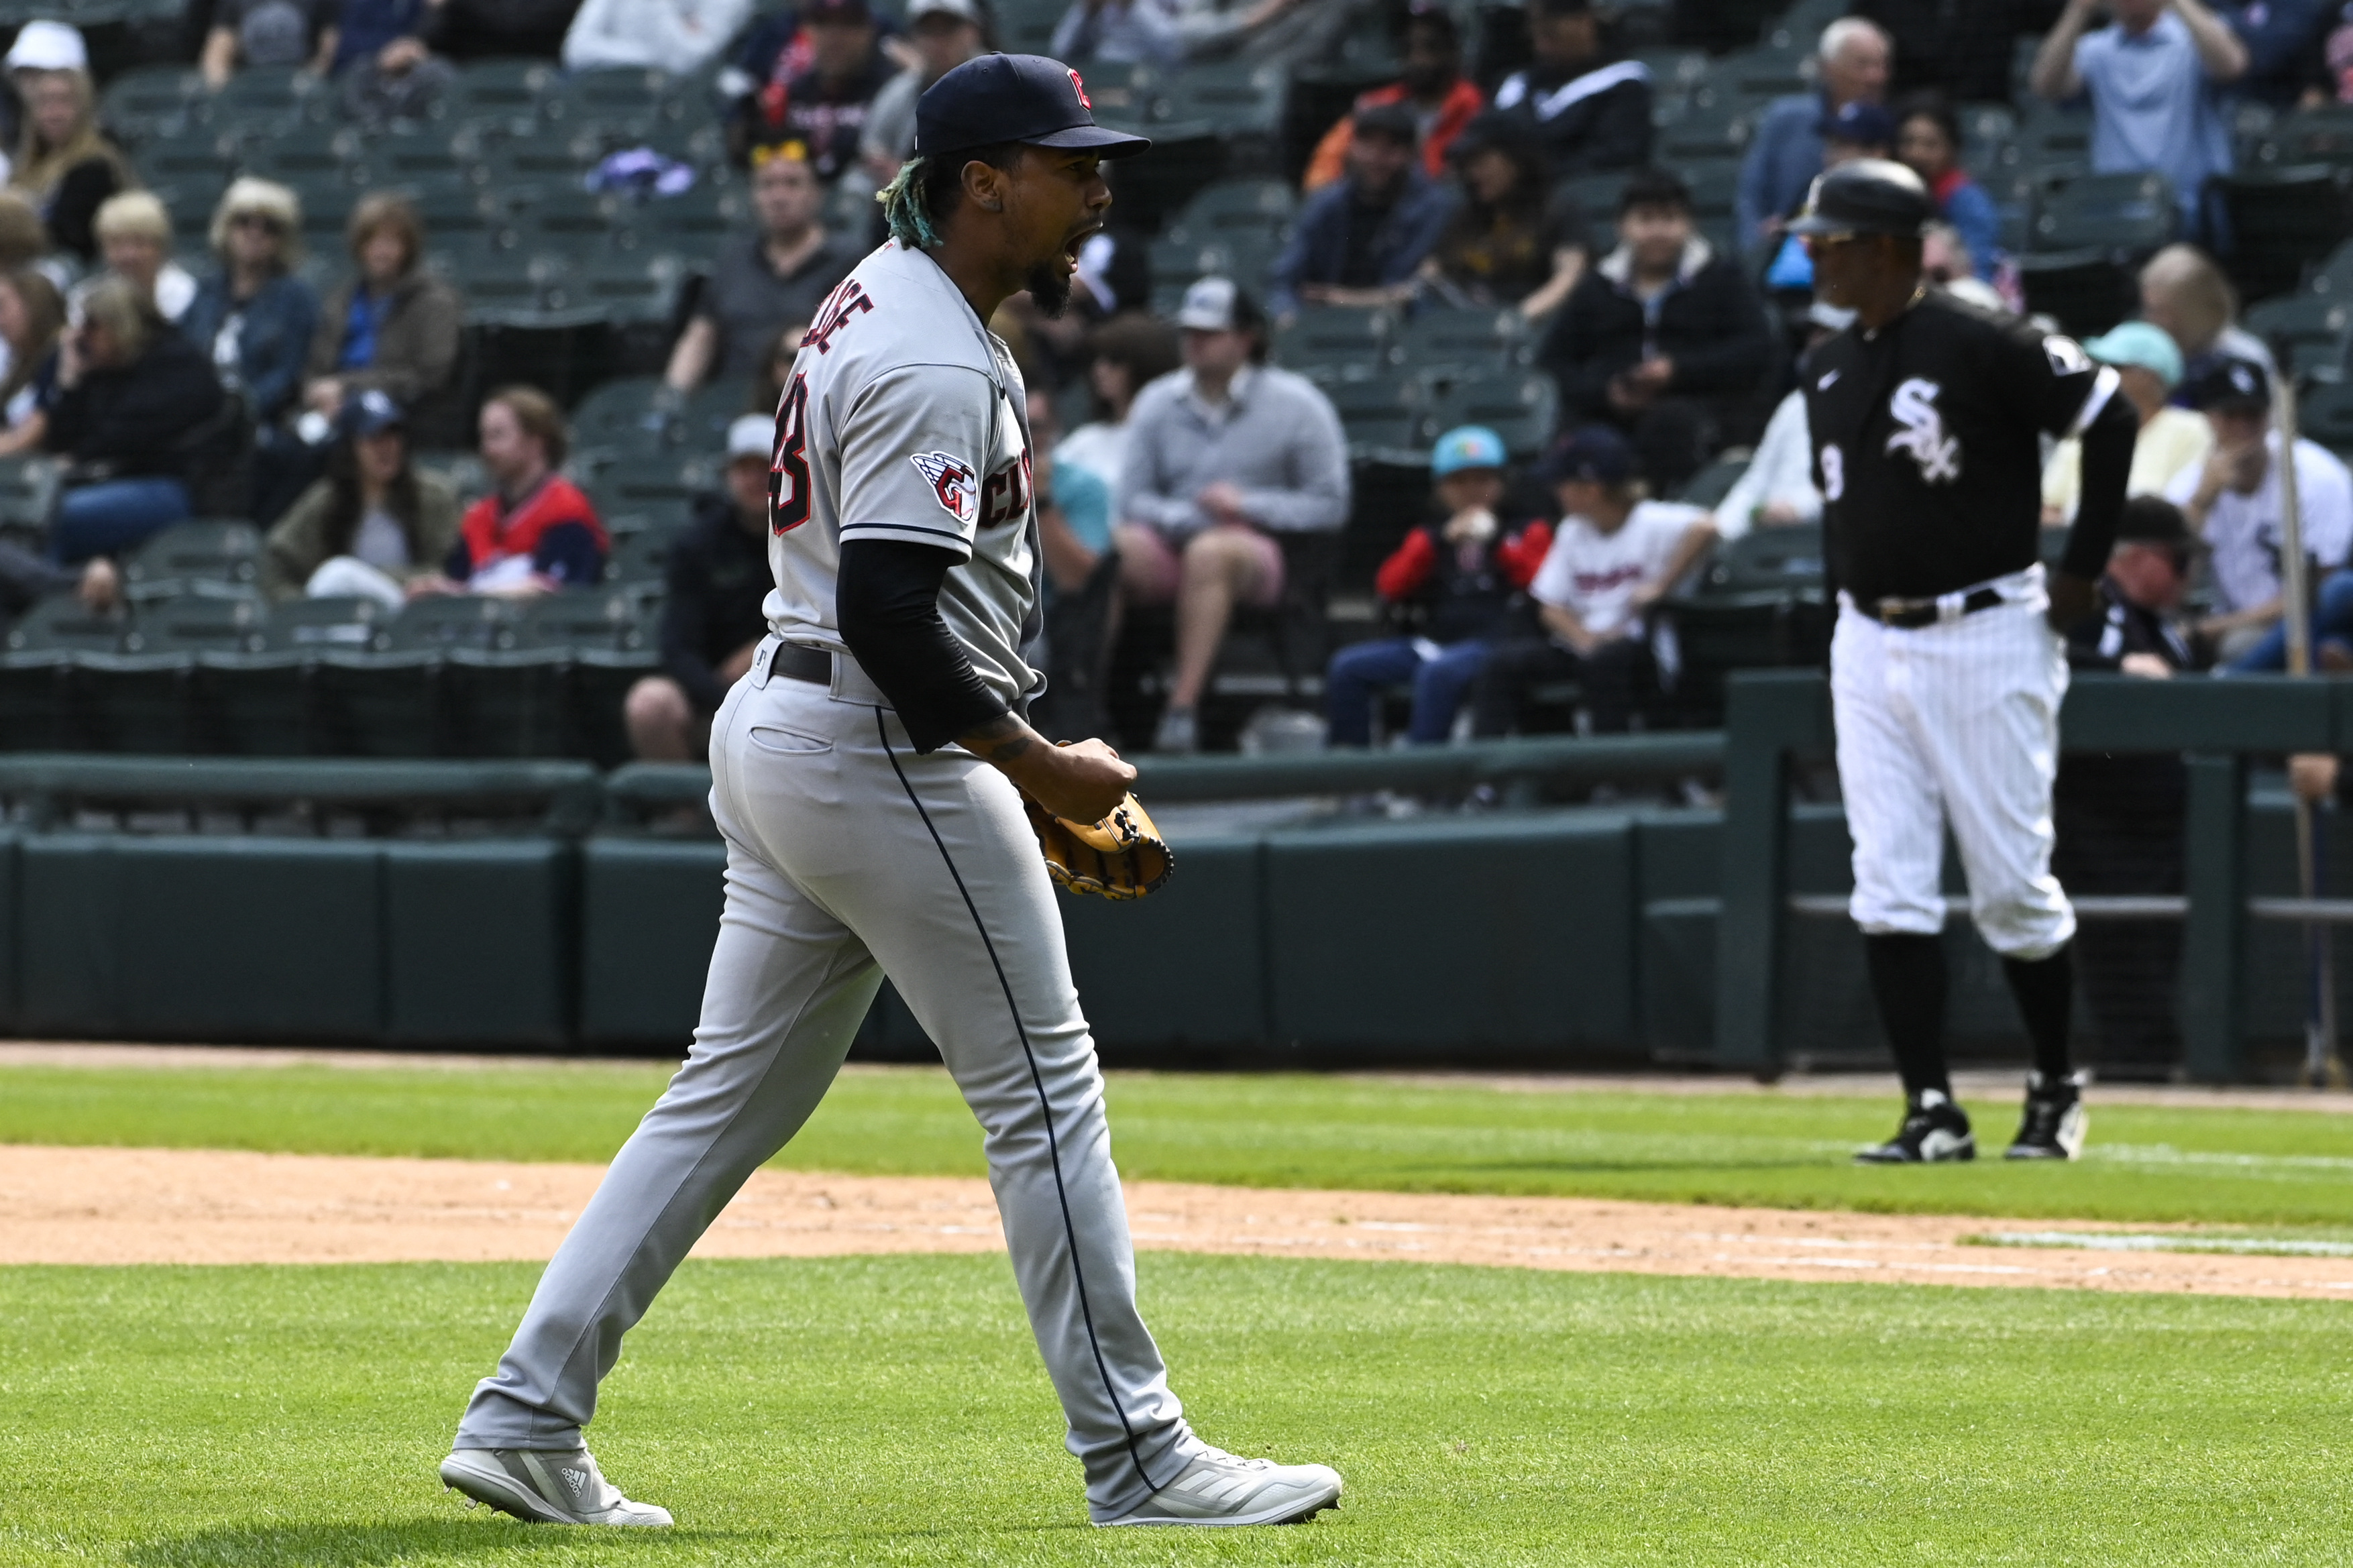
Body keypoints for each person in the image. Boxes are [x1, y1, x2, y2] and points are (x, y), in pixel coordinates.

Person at [440, 53, 1343, 1532]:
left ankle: (527, 1412)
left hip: (790, 729)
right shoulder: (927, 346)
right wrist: (1038, 761)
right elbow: (891, 608)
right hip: (876, 740)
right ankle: (1139, 1455)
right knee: (1043, 1093)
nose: (1099, 192)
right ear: (981, 183)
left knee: (720, 1099)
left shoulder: (882, 287)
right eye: (1070, 166)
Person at [1793, 158, 2139, 1164]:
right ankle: (1930, 1107)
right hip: (1868, 636)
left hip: (1986, 629)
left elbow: (2108, 413)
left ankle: (2053, 1084)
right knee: (1888, 881)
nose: (1813, 252)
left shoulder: (1982, 337)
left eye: (1833, 238)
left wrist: (2080, 571)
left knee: (2010, 885)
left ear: (1892, 248)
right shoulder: (1826, 363)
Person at [1117, 276, 1348, 753]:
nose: (1194, 343)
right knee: (1118, 548)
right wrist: (1183, 518)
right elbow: (1132, 499)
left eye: (1210, 333)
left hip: (1263, 551)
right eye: (1188, 332)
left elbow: (1330, 504)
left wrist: (1248, 506)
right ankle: (1089, 699)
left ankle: (1182, 709)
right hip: (1174, 535)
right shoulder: (1158, 401)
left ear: (1248, 338)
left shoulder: (1299, 404)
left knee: (1212, 552)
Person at [2055, 495, 2205, 1074]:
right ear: (2141, 559)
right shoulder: (2090, 603)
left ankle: (2145, 1062)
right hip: (2100, 820)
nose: (2188, 575)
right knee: (2119, 952)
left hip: (2161, 821)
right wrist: (2116, 671)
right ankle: (2130, 1064)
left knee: (2156, 950)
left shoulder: (2166, 631)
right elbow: (2037, 652)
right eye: (2179, 561)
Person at [1539, 168, 1775, 496]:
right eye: (1646, 219)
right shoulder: (1597, 287)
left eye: (1670, 219)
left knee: (1670, 424)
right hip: (1611, 411)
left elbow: (1755, 348)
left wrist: (1678, 371)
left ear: (1690, 225)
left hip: (1701, 409)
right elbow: (1555, 360)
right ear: (1621, 227)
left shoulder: (1722, 278)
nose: (1658, 231)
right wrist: (1607, 391)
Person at [1470, 424, 1712, 737]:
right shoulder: (1573, 529)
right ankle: (1509, 774)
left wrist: (1661, 586)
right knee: (1502, 664)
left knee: (1604, 665)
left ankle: (1610, 775)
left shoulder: (1650, 519)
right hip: (1586, 643)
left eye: (1563, 483)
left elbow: (1707, 527)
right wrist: (1585, 640)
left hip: (1639, 648)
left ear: (1591, 488)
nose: (1556, 491)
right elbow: (1550, 607)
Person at [1327, 425, 1552, 746]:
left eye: (1483, 480)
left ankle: (1426, 784)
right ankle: (1349, 776)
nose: (1472, 491)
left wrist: (1499, 544)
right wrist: (1436, 546)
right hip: (1435, 641)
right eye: (1459, 482)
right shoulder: (1430, 536)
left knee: (1440, 674)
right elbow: (1389, 586)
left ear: (1502, 483)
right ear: (1441, 489)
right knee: (1348, 667)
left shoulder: (1527, 530)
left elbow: (1546, 586)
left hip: (1499, 644)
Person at [2162, 357, 2353, 666]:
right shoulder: (2190, 485)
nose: (2243, 428)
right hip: (2232, 620)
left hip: (2303, 618)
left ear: (2270, 417)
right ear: (2209, 418)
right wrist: (2201, 505)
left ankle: (2228, 685)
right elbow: (2170, 588)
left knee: (2340, 596)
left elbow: (2318, 593)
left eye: (2252, 415)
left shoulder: (2315, 475)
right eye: (2230, 415)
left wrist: (2216, 628)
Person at [40, 276, 228, 565]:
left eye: (92, 326)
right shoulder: (104, 368)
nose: (82, 337)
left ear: (120, 325)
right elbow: (61, 440)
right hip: (106, 480)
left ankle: (47, 599)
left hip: (174, 488)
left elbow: (121, 436)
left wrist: (76, 458)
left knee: (49, 518)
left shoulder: (177, 365)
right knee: (21, 511)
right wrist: (70, 381)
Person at [2030, 0, 2246, 242]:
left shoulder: (2192, 38)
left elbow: (2232, 65)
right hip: (2116, 213)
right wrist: (2079, 10)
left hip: (2193, 210)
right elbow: (2046, 88)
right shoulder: (2097, 49)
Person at [625, 414, 776, 760]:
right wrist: (723, 694)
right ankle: (683, 812)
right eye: (744, 467)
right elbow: (677, 646)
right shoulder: (698, 543)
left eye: (764, 467)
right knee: (650, 702)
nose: (754, 479)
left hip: (785, 685)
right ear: (728, 474)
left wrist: (763, 653)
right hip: (713, 691)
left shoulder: (809, 537)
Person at [665, 142, 858, 393]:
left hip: (815, 409)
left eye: (792, 183)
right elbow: (700, 338)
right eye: (767, 185)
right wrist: (671, 402)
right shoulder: (733, 259)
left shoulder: (851, 262)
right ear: (753, 196)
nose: (778, 197)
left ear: (817, 193)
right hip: (735, 408)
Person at [260, 388, 461, 604]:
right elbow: (275, 561)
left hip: (414, 614)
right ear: (351, 447)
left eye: (393, 435)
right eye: (374, 438)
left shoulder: (433, 496)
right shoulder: (328, 501)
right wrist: (300, 608)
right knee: (337, 575)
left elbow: (448, 569)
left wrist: (395, 580)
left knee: (340, 574)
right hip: (344, 619)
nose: (387, 448)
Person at [1266, 103, 1453, 320]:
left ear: (1413, 154)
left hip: (1400, 330)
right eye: (1367, 146)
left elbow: (1411, 293)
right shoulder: (1326, 203)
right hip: (1324, 328)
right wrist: (1287, 316)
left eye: (1390, 149)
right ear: (1352, 147)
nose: (1376, 159)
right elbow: (1284, 278)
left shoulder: (1434, 208)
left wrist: (1340, 299)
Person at [301, 193, 463, 433]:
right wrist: (318, 393)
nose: (381, 252)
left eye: (391, 242)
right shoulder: (341, 300)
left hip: (397, 411)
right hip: (332, 407)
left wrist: (346, 387)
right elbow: (316, 366)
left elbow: (430, 377)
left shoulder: (434, 302)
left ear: (408, 247)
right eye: (373, 242)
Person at [421, 387, 606, 596]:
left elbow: (552, 592)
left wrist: (472, 596)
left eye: (498, 436)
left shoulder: (567, 510)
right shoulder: (479, 516)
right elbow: (459, 580)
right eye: (485, 437)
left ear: (536, 444)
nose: (487, 449)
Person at [1737, 17, 1892, 266]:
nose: (1876, 77)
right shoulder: (1786, 119)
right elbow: (1752, 195)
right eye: (1862, 65)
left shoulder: (1900, 125)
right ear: (1828, 68)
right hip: (1788, 258)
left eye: (1882, 66)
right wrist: (1759, 247)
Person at [180, 178, 319, 435]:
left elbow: (288, 375)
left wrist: (236, 411)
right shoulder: (206, 291)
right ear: (226, 228)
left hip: (262, 424)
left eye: (269, 227)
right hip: (198, 419)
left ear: (282, 239)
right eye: (244, 221)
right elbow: (182, 356)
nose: (255, 233)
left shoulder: (296, 299)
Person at [2041, 320, 2213, 524]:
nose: (2100, 373)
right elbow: (2048, 509)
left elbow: (2183, 511)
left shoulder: (2192, 429)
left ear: (2149, 376)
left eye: (2114, 366)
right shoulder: (2083, 431)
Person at [1420, 110, 1586, 319]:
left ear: (1515, 158)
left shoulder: (1557, 209)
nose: (1473, 174)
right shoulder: (1465, 217)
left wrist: (1517, 319)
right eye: (1468, 164)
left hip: (1533, 330)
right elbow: (1429, 275)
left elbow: (1569, 278)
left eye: (1482, 161)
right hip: (1466, 331)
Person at [1301, 6, 1483, 193]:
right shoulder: (1377, 104)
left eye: (1431, 48)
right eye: (1409, 49)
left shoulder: (1474, 108)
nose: (1418, 60)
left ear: (1452, 52)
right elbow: (1324, 168)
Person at [1714, 300, 1853, 539]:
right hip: (1766, 538)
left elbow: (1862, 489)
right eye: (1814, 333)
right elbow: (1756, 481)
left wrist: (1801, 509)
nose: (1816, 343)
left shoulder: (1872, 403)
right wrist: (1718, 529)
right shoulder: (1796, 403)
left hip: (1827, 539)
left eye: (1828, 333)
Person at [1488, 0, 1652, 178]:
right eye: (1536, 35)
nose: (1541, 47)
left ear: (1584, 23)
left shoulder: (1623, 82)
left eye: (1551, 34)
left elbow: (1615, 155)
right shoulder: (1517, 85)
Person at [7, 40, 128, 264]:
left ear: (84, 106)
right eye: (44, 103)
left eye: (64, 101)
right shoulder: (25, 166)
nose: (54, 113)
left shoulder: (96, 166)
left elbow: (69, 238)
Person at [860, 0, 989, 187]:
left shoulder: (995, 82)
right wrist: (885, 166)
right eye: (929, 31)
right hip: (910, 196)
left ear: (972, 32)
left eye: (948, 29)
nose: (938, 42)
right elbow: (872, 146)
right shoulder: (902, 89)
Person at [769, 0, 897, 186]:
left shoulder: (891, 92)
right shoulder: (795, 92)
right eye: (823, 23)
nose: (835, 36)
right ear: (806, 30)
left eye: (849, 24)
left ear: (870, 30)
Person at [1055, 309, 1179, 496]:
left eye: (1115, 359)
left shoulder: (1173, 439)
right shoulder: (1084, 441)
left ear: (1145, 362)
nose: (1099, 369)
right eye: (1096, 359)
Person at [2138, 243, 2273, 396]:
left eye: (2161, 311)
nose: (2151, 321)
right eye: (2149, 309)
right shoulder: (2144, 362)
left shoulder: (2246, 358)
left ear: (2198, 310)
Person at [1893, 94, 1998, 281]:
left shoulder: (1967, 199)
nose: (1917, 154)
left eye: (1930, 145)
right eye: (1909, 142)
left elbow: (1980, 270)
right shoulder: (1895, 192)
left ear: (1952, 148)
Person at [85, 191, 195, 325]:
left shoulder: (189, 297)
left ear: (161, 245)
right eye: (116, 243)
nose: (129, 255)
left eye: (140, 242)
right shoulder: (84, 299)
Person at [561, 0, 751, 75]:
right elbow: (576, 50)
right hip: (601, 90)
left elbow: (688, 64)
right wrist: (651, 56)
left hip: (677, 103)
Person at [0, 266, 64, 458]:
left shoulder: (61, 355)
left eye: (2, 307)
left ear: (34, 306)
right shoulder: (20, 363)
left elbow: (36, 432)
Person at [202, 0, 337, 87]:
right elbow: (217, 54)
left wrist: (310, 81)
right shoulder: (234, 3)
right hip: (250, 89)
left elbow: (329, 49)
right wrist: (226, 88)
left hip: (298, 87)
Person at [1051, 0, 1182, 64]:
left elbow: (1172, 48)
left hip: (1150, 75)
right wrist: (1088, 14)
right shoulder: (1095, 5)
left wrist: (1133, 7)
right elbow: (1060, 50)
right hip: (1103, 76)